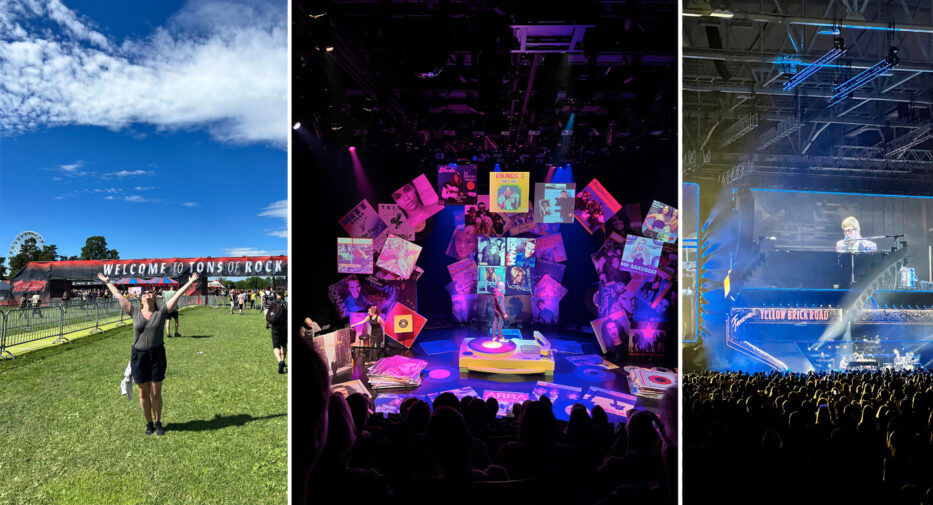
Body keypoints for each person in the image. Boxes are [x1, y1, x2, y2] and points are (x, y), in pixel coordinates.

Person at [99, 271, 198, 436]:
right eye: (144, 293)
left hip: (157, 355)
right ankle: (149, 423)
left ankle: (158, 422)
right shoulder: (134, 312)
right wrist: (107, 282)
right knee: (142, 392)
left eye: (150, 292)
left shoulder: (161, 313)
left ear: (155, 297)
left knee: (156, 391)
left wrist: (189, 283)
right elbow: (117, 295)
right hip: (138, 356)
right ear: (141, 299)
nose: (147, 294)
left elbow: (178, 295)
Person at [266, 288, 288, 373]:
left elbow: (266, 313)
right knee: (284, 345)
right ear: (283, 295)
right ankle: (283, 360)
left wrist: (268, 323)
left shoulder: (272, 302)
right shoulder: (286, 304)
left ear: (276, 294)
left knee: (276, 346)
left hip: (275, 327)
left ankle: (280, 361)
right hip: (284, 327)